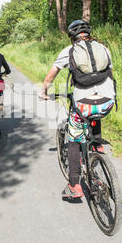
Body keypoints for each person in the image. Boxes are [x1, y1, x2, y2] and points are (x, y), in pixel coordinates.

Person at [40, 20, 117, 199]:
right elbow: (109, 73)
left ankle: (74, 185)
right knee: (95, 112)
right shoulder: (104, 48)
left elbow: (51, 75)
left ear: (72, 37)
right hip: (108, 102)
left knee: (74, 138)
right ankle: (97, 147)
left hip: (83, 104)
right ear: (89, 34)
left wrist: (44, 91)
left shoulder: (68, 51)